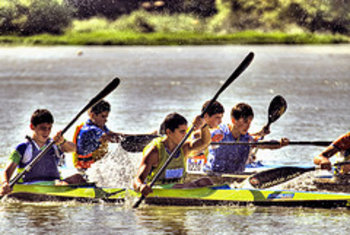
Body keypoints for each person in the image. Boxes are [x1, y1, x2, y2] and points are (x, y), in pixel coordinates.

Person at [0, 109, 85, 196]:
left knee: (78, 178)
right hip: (29, 186)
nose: (47, 132)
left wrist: (63, 142)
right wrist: (4, 184)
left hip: (54, 184)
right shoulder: (23, 148)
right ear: (32, 127)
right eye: (43, 128)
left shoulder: (55, 143)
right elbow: (7, 171)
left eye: (49, 128)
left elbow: (76, 149)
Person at [133, 112, 212, 197]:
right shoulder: (155, 152)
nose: (185, 135)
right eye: (182, 132)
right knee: (180, 186)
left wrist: (204, 126)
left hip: (179, 189)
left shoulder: (184, 147)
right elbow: (137, 179)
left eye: (185, 131)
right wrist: (141, 187)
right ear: (169, 132)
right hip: (156, 191)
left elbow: (205, 142)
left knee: (206, 181)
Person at [203, 103, 289, 174]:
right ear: (233, 121)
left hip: (236, 178)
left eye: (250, 122)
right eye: (245, 122)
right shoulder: (220, 132)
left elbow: (263, 144)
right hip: (213, 175)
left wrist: (280, 143)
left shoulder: (247, 139)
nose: (248, 126)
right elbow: (201, 137)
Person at [73, 100, 123, 172]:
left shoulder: (100, 126)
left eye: (106, 117)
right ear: (92, 115)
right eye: (103, 116)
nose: (106, 120)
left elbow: (112, 134)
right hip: (85, 170)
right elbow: (109, 137)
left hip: (94, 166)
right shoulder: (89, 129)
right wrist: (127, 139)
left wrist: (130, 137)